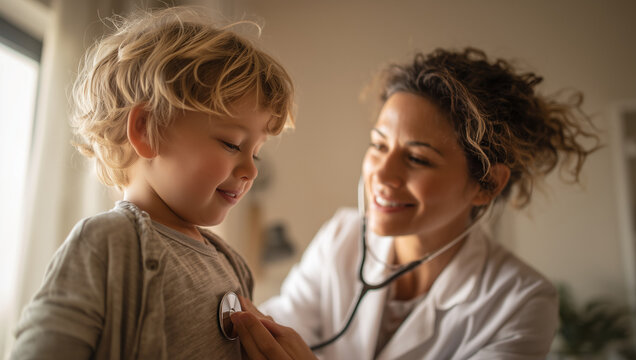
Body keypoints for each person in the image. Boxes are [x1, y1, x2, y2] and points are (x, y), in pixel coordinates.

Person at [230, 47, 599, 359]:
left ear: (486, 184)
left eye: (418, 159)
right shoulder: (342, 235)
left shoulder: (521, 302)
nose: (383, 174)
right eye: (378, 145)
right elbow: (272, 330)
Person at [10, 7, 293, 360]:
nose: (250, 170)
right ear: (147, 130)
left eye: (256, 153)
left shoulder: (231, 265)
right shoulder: (108, 243)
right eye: (232, 144)